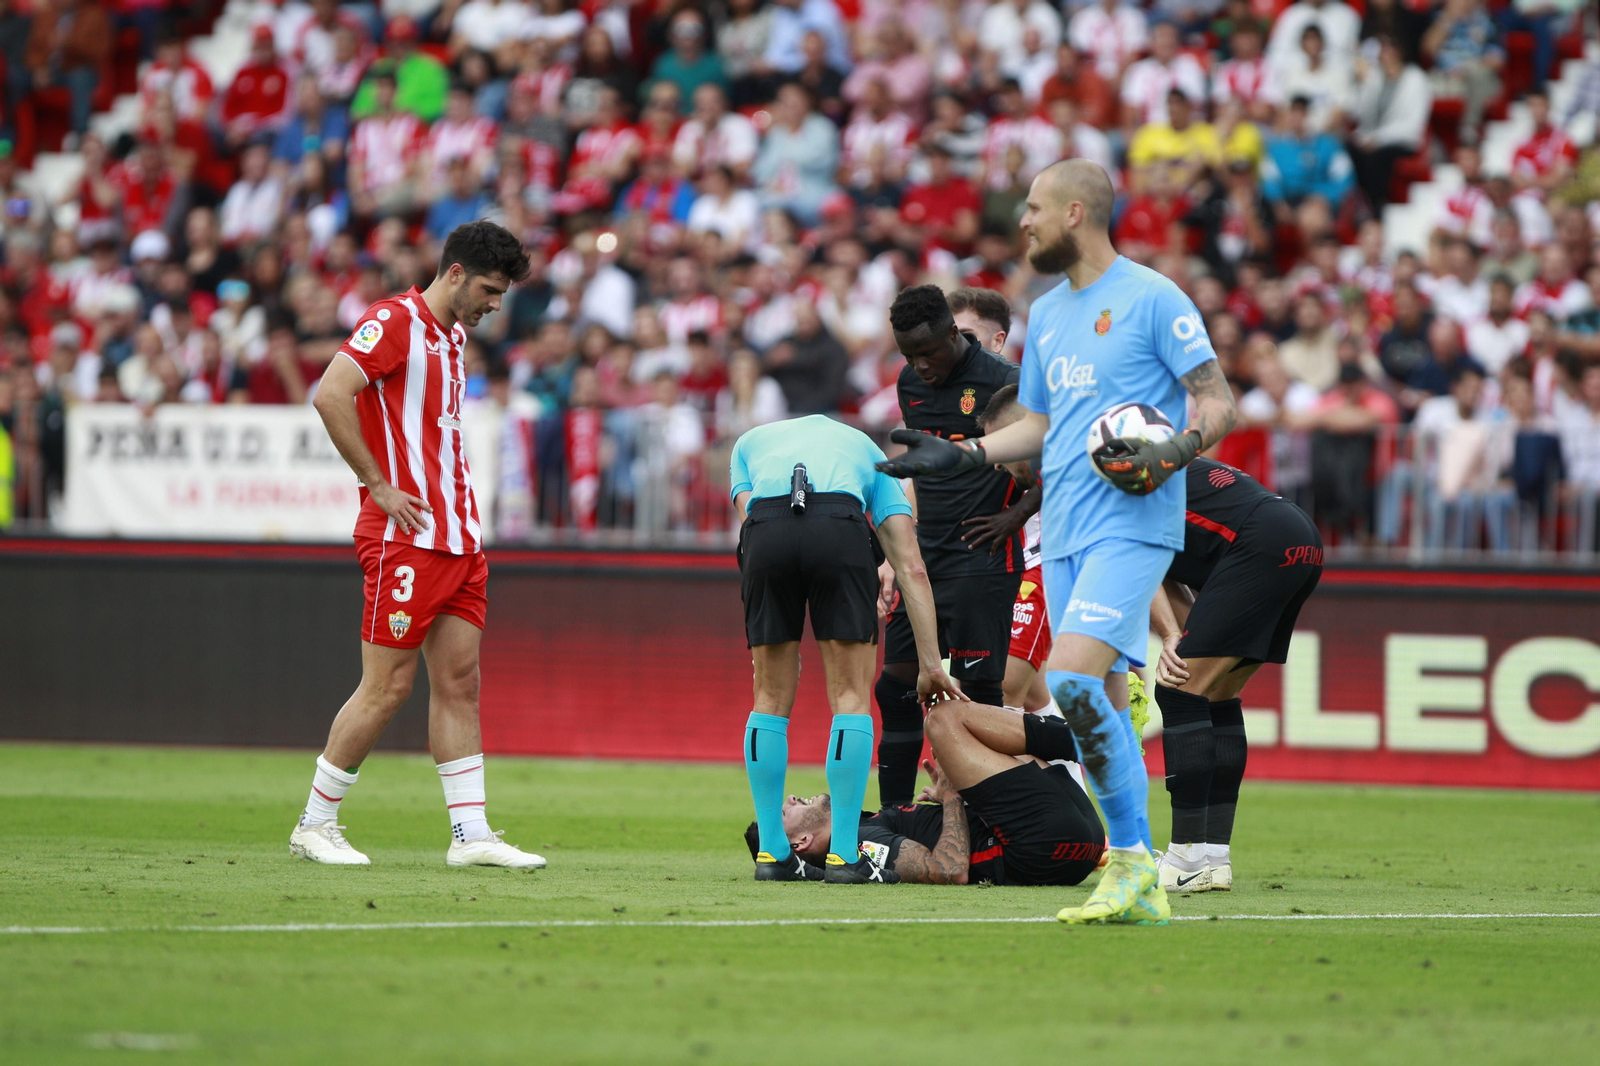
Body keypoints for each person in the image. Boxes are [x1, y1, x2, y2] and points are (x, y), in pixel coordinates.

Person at [878, 159, 1238, 926]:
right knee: (1094, 704)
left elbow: (1216, 398)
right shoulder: (1049, 314)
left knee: (1070, 681)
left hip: (1132, 521)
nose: (1024, 221)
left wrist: (1172, 453)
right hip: (1065, 528)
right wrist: (966, 453)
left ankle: (1137, 863)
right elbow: (1038, 425)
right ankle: (1132, 871)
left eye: (1035, 208)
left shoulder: (1153, 297)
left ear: (1077, 213)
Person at [290, 221, 542, 871]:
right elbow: (330, 393)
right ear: (454, 273)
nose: (495, 303)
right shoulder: (393, 321)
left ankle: (471, 836)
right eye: (489, 289)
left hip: (459, 538)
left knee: (460, 683)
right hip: (407, 539)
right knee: (388, 687)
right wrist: (376, 483)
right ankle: (315, 823)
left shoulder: (453, 337)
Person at [731, 414, 962, 884]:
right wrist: (931, 664)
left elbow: (751, 527)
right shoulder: (870, 454)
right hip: (838, 525)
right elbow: (911, 567)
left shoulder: (747, 444)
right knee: (850, 699)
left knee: (769, 700)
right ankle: (842, 857)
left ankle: (773, 854)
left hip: (765, 529)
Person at [874, 284, 1030, 810]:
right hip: (924, 557)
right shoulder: (909, 384)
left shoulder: (1006, 382)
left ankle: (984, 822)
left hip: (981, 557)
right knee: (895, 684)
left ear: (953, 335)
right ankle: (892, 819)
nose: (919, 365)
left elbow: (1063, 456)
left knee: (978, 695)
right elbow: (922, 473)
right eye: (908, 355)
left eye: (928, 352)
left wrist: (1015, 515)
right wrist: (898, 550)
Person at [1148, 457, 1323, 894]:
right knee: (1215, 695)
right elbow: (1159, 567)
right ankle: (1212, 858)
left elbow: (1132, 564)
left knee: (1178, 689)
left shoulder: (1111, 487)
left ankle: (1185, 859)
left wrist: (1171, 636)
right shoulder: (1161, 467)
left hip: (1260, 541)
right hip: (1298, 535)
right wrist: (1180, 634)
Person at [754, 701, 1107, 888]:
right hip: (1042, 843)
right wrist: (952, 795)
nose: (789, 799)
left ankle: (1083, 737)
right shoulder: (859, 847)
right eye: (782, 814)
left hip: (1078, 847)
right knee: (941, 721)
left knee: (982, 734)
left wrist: (949, 796)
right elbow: (950, 871)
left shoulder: (861, 827)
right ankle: (1094, 737)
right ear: (799, 842)